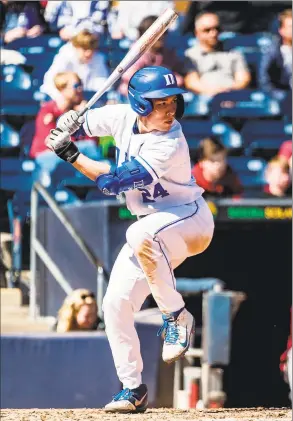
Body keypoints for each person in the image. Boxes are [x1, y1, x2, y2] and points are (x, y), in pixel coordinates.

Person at [46, 66, 215, 413]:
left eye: (173, 102)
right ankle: (132, 388)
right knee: (115, 305)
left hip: (189, 220)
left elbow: (113, 182)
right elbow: (86, 120)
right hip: (155, 231)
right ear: (139, 105)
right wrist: (70, 122)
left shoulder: (169, 143)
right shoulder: (122, 116)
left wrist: (71, 155)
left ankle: (177, 316)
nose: (169, 110)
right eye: (160, 103)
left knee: (138, 232)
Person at [30, 71, 102, 174]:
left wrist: (85, 116)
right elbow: (53, 143)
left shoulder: (78, 110)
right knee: (88, 148)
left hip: (70, 157)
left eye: (81, 85)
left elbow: (94, 140)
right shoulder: (48, 109)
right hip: (46, 157)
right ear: (62, 89)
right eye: (76, 85)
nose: (80, 89)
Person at [184, 12, 251, 97]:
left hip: (232, 97)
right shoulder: (190, 55)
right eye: (207, 30)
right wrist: (214, 93)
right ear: (197, 33)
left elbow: (243, 79)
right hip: (204, 98)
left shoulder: (233, 53)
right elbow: (191, 82)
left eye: (217, 29)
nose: (213, 33)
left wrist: (228, 92)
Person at [118, 15, 186, 98]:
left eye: (164, 32)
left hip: (158, 96)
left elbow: (173, 74)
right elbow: (130, 77)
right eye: (157, 33)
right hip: (133, 97)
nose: (161, 36)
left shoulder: (166, 52)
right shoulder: (136, 53)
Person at [40, 30, 109, 102]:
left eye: (91, 49)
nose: (88, 53)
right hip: (61, 99)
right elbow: (49, 82)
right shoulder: (65, 55)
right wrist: (61, 99)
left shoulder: (98, 58)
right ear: (76, 47)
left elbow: (102, 83)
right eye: (84, 48)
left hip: (85, 101)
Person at [259, 9, 292, 95]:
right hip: (282, 95)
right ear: (281, 30)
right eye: (291, 27)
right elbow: (264, 79)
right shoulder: (272, 51)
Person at [44, 0, 110, 41]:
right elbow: (50, 17)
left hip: (92, 35)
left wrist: (83, 32)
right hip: (69, 36)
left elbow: (100, 18)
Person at [109, 0, 174, 41]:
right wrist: (142, 37)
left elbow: (173, 26)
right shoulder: (127, 2)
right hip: (133, 43)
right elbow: (123, 26)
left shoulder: (166, 2)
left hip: (160, 42)